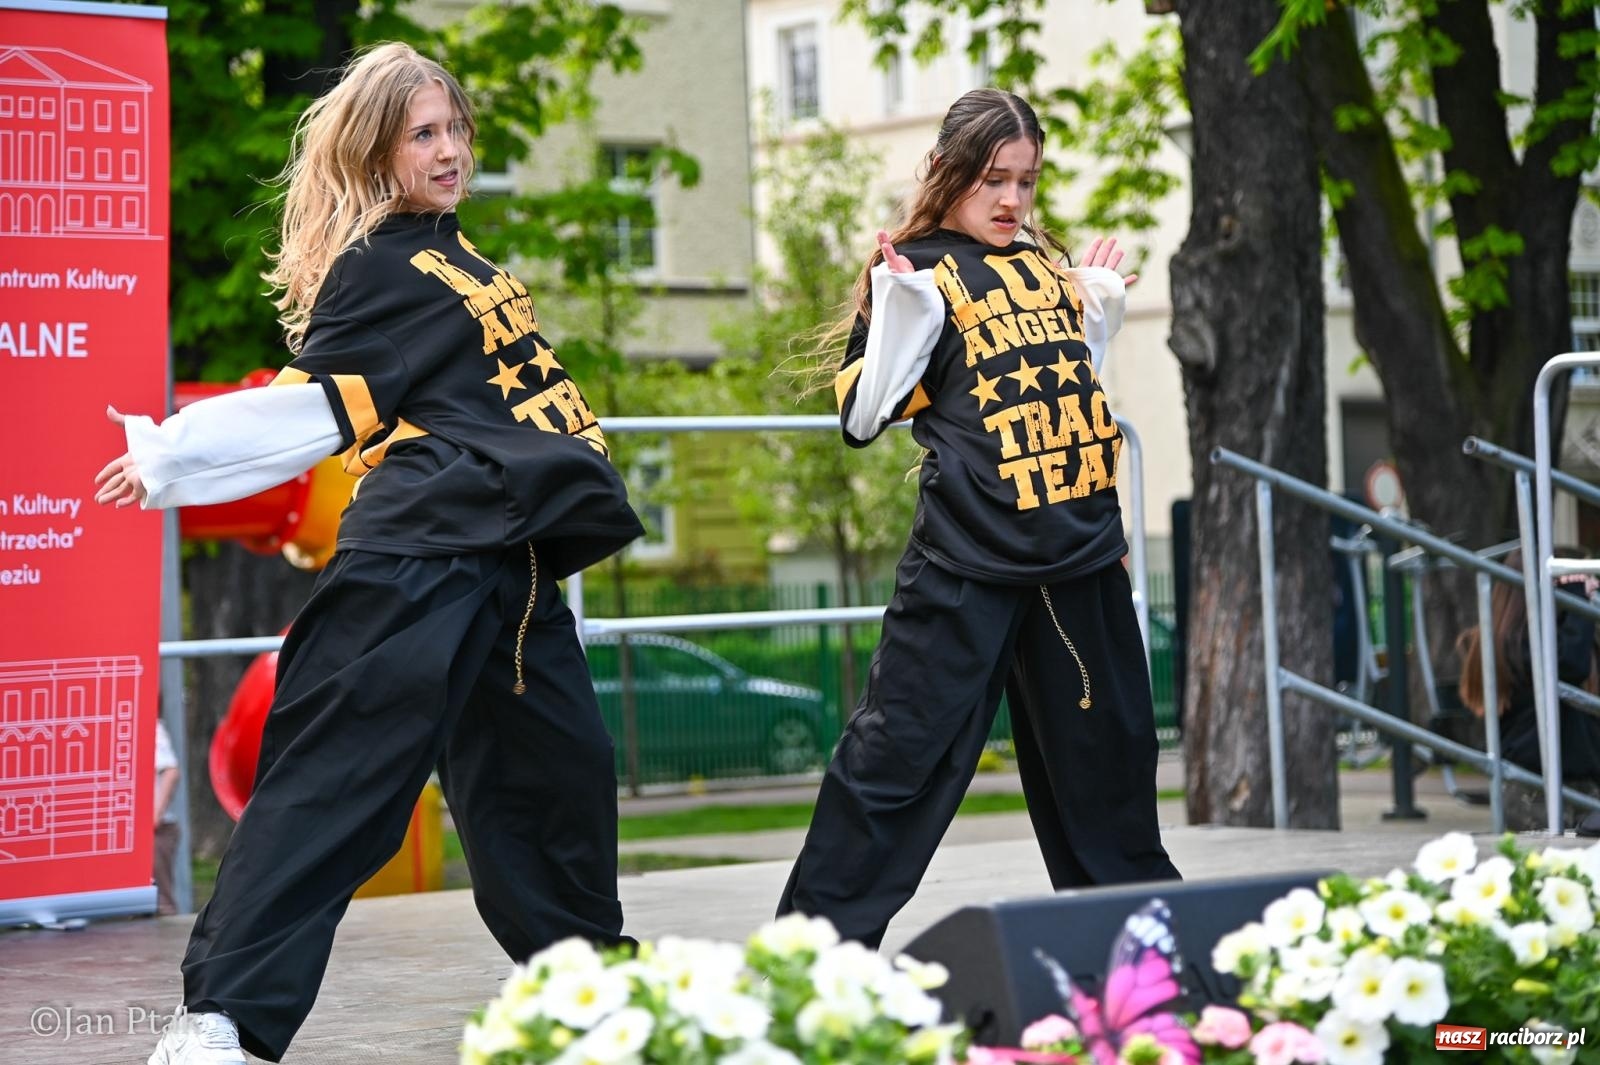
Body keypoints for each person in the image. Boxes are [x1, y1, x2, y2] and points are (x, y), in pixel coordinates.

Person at [94, 43, 642, 1065]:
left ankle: (589, 990)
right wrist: (169, 453)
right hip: (418, 561)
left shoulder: (461, 257)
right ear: (378, 153)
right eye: (423, 134)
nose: (449, 150)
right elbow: (311, 408)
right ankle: (220, 1022)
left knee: (554, 782)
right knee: (335, 784)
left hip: (513, 568)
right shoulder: (381, 267)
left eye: (455, 129)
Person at [777, 88, 1179, 949]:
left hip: (1077, 564)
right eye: (992, 178)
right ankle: (809, 956)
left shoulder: (1043, 269)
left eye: (1025, 181)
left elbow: (1069, 394)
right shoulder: (914, 269)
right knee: (896, 762)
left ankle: (1148, 957)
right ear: (945, 170)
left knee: (1110, 769)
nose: (1010, 200)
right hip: (964, 564)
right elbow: (861, 417)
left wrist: (1096, 306)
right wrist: (900, 309)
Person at [1457, 550, 1600, 831]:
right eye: (1585, 581)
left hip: (1574, 783)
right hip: (1534, 789)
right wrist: (1575, 599)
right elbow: (1568, 665)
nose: (1592, 588)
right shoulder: (1514, 646)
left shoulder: (1523, 641)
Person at [153, 717, 182, 917]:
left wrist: (155, 814)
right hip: (123, 830)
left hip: (157, 828)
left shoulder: (150, 726)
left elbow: (171, 771)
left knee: (161, 903)